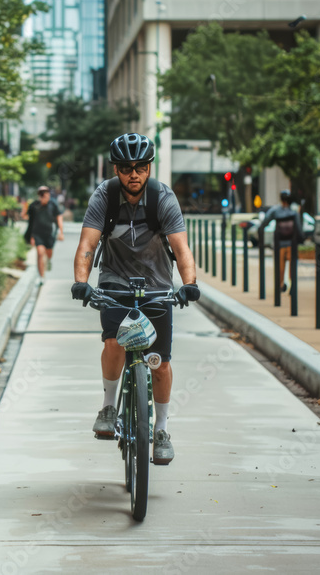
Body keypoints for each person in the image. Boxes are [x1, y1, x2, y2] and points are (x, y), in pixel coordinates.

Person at [70, 133, 199, 465]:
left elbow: (182, 249)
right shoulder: (104, 197)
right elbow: (87, 246)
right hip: (114, 284)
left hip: (156, 286)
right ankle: (109, 406)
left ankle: (162, 430)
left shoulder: (163, 198)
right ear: (116, 169)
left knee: (160, 363)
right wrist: (81, 282)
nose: (134, 174)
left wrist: (189, 284)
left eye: (141, 167)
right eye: (126, 168)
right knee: (113, 342)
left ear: (149, 167)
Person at [261, 190, 302, 293]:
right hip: (291, 243)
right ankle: (293, 286)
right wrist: (302, 239)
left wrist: (260, 230)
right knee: (292, 267)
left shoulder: (275, 210)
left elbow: (266, 221)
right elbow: (298, 227)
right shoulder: (294, 212)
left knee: (279, 267)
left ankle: (280, 285)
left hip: (279, 242)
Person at [23, 185, 65, 284]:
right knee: (40, 253)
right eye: (42, 193)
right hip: (38, 234)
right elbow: (29, 220)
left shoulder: (52, 205)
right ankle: (41, 276)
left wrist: (61, 232)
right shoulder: (34, 205)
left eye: (46, 192)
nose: (44, 195)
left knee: (49, 253)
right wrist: (31, 236)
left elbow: (59, 218)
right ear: (39, 195)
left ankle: (49, 260)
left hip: (49, 233)